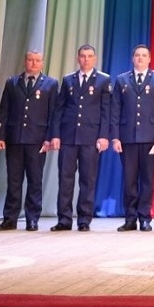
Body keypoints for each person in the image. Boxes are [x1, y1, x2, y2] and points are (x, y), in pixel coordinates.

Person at [0, 50, 59, 232]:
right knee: (14, 181)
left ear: (42, 63)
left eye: (37, 60)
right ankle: (10, 218)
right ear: (25, 61)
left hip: (37, 140)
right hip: (15, 138)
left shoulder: (51, 84)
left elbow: (53, 113)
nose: (33, 63)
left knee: (35, 180)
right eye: (30, 60)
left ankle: (32, 218)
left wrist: (49, 138)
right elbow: (4, 110)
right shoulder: (12, 82)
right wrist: (1, 136)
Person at [51, 45, 110, 232]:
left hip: (90, 137)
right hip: (68, 137)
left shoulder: (103, 80)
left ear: (95, 59)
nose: (86, 59)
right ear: (78, 58)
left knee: (87, 180)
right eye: (83, 56)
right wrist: (55, 134)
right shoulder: (68, 79)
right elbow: (59, 109)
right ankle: (64, 219)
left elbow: (106, 111)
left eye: (90, 56)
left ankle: (84, 220)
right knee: (65, 179)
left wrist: (104, 136)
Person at [111, 44, 154, 232]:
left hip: (151, 138)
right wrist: (115, 137)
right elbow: (115, 110)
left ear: (149, 59)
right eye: (137, 55)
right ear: (132, 58)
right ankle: (130, 218)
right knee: (129, 180)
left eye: (144, 55)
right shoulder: (121, 79)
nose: (140, 58)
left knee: (147, 180)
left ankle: (145, 217)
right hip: (127, 138)